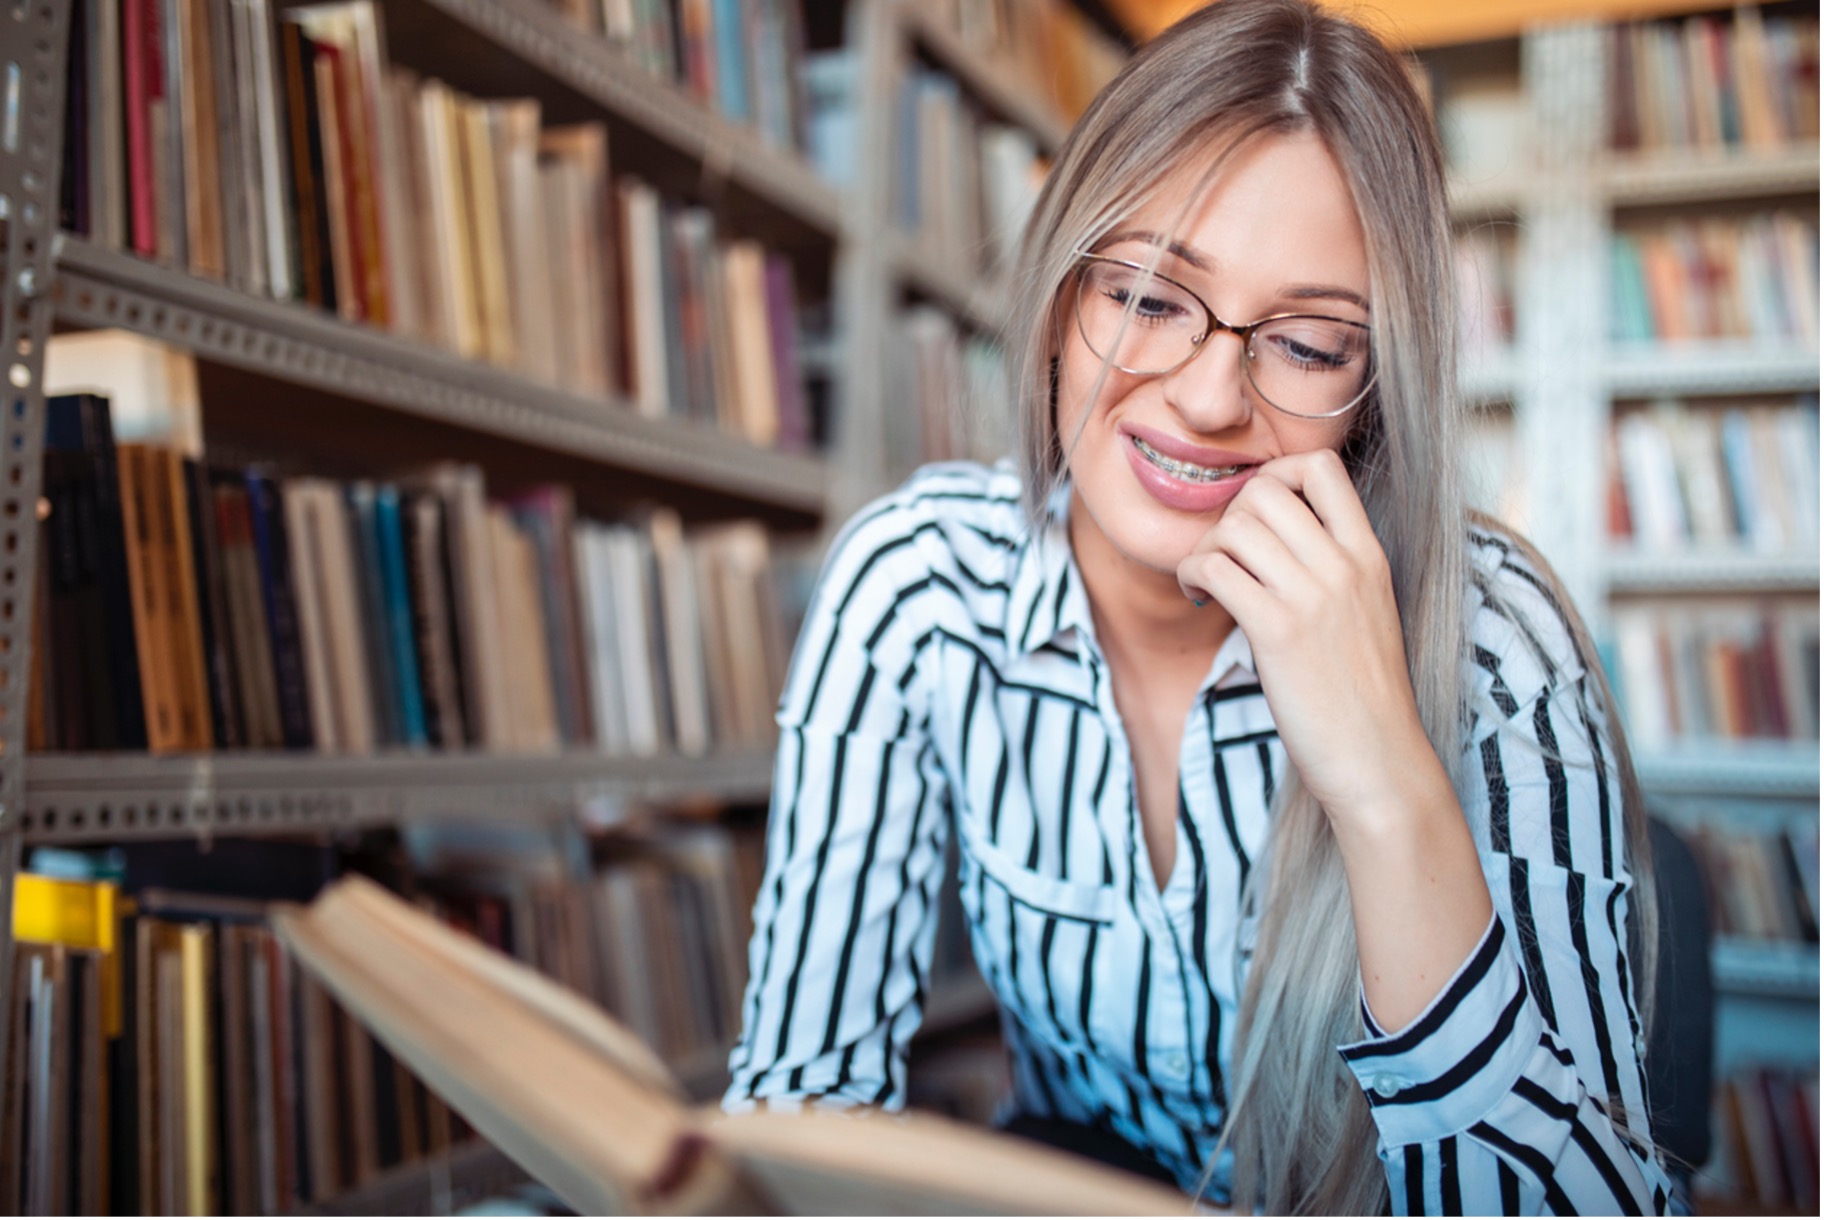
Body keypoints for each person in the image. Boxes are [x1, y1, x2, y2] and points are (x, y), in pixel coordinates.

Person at [724, 0, 1670, 1212]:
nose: (1210, 396)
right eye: (1149, 299)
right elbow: (798, 1109)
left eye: (1310, 345)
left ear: (1375, 390)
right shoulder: (917, 585)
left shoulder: (1494, 637)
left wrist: (1385, 779)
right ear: (1062, 295)